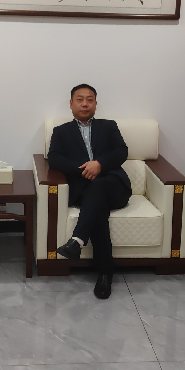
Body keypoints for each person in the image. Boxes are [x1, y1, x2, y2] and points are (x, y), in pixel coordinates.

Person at [48, 84, 132, 299]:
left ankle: (77, 239)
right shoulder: (61, 131)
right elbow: (54, 159)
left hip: (114, 186)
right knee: (97, 210)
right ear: (71, 104)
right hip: (85, 189)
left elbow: (121, 151)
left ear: (95, 104)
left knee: (100, 188)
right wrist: (85, 168)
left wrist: (100, 165)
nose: (85, 104)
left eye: (90, 99)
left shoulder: (109, 126)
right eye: (80, 99)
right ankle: (105, 273)